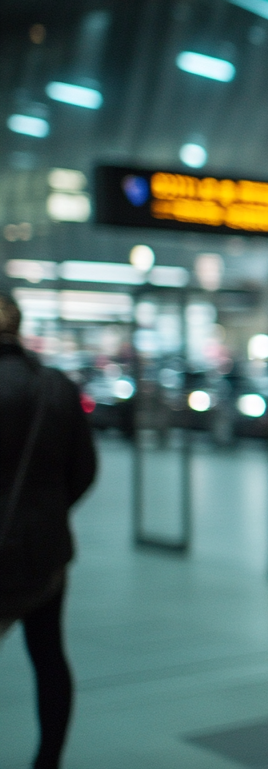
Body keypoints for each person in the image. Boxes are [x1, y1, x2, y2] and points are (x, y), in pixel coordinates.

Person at [0, 290, 98, 769]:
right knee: (48, 654)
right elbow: (85, 470)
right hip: (44, 552)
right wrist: (47, 514)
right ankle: (48, 759)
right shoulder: (56, 386)